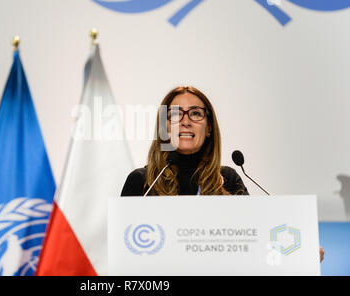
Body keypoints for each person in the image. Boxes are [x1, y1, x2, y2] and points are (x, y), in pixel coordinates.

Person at [120, 85, 325, 262]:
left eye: (196, 113)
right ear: (164, 127)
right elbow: (125, 254)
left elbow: (255, 245)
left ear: (209, 127)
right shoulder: (141, 182)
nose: (185, 121)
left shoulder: (228, 179)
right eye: (175, 114)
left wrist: (297, 254)